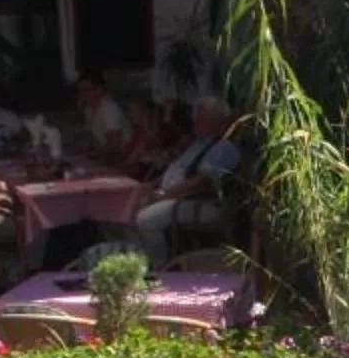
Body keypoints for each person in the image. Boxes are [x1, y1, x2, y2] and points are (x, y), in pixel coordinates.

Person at [131, 98, 245, 252]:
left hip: (203, 203)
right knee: (130, 207)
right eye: (197, 117)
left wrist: (164, 195)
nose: (195, 121)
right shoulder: (200, 143)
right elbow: (177, 168)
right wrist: (152, 185)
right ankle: (139, 259)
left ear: (217, 122)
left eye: (201, 118)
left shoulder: (223, 148)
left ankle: (160, 267)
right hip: (175, 197)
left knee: (144, 219)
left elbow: (203, 184)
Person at [74, 71, 132, 163]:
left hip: (124, 158)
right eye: (80, 91)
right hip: (106, 157)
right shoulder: (89, 109)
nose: (82, 95)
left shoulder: (109, 108)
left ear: (99, 89)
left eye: (86, 90)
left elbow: (114, 143)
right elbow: (92, 137)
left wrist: (93, 155)